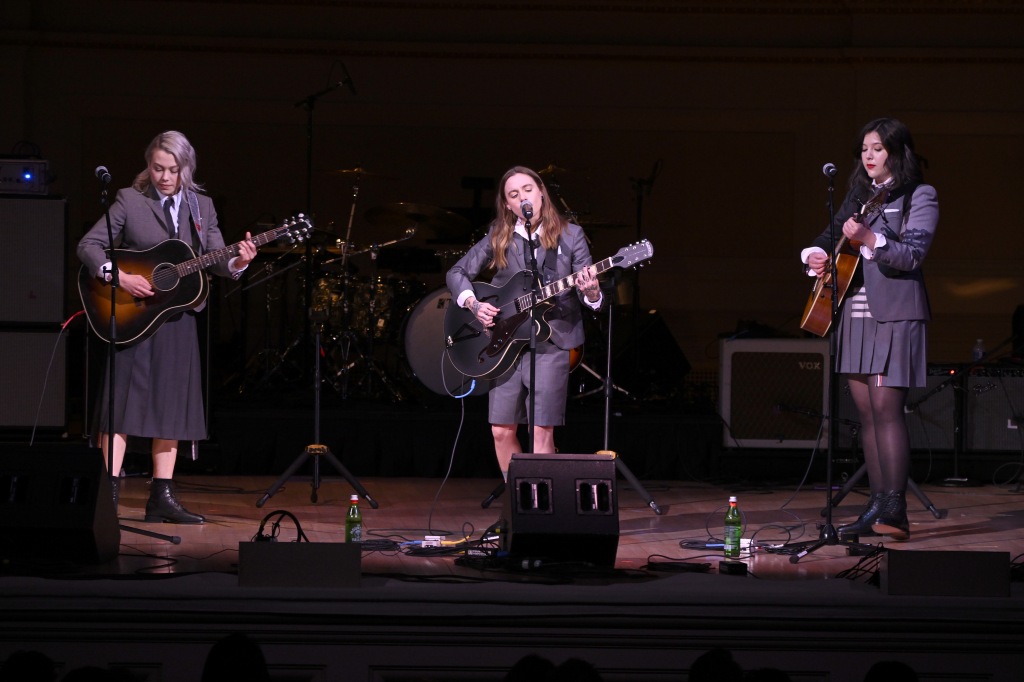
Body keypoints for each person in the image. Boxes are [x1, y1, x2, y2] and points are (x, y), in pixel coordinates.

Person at [78, 130, 257, 524]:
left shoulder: (202, 206)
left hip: (177, 318)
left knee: (173, 408)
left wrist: (239, 262)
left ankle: (162, 497)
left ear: (185, 169)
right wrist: (120, 276)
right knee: (121, 406)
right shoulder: (129, 199)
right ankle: (107, 493)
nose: (163, 177)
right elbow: (88, 246)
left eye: (172, 170)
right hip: (133, 314)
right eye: (157, 168)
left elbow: (215, 257)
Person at [801, 118, 938, 541]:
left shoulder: (920, 195)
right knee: (866, 413)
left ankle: (896, 508)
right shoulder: (860, 195)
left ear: (897, 152)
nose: (868, 156)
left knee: (886, 409)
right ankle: (877, 503)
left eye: (877, 148)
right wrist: (816, 256)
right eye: (864, 149)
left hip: (896, 312)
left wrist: (869, 241)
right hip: (854, 308)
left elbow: (912, 255)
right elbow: (829, 235)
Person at [446, 166, 602, 485]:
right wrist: (474, 304)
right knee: (501, 429)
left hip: (553, 338)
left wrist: (592, 291)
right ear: (507, 205)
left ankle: (543, 509)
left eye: (528, 190)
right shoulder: (499, 235)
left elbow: (590, 291)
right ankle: (516, 502)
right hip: (506, 342)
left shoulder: (571, 236)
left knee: (540, 429)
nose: (523, 198)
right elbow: (456, 273)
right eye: (514, 195)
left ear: (542, 192)